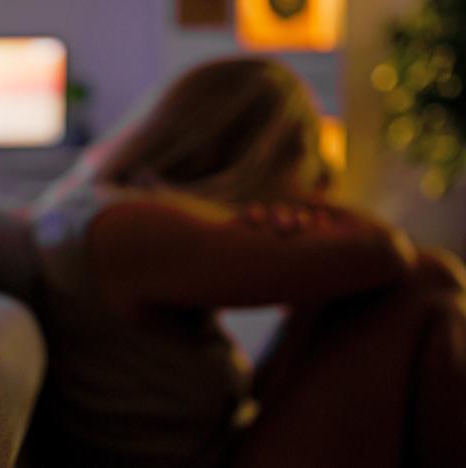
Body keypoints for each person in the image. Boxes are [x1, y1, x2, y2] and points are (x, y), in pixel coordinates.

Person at [26, 57, 466, 467]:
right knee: (428, 280)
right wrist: (317, 211)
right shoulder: (129, 226)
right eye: (310, 162)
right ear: (263, 155)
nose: (319, 187)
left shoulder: (104, 210)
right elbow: (384, 253)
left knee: (348, 298)